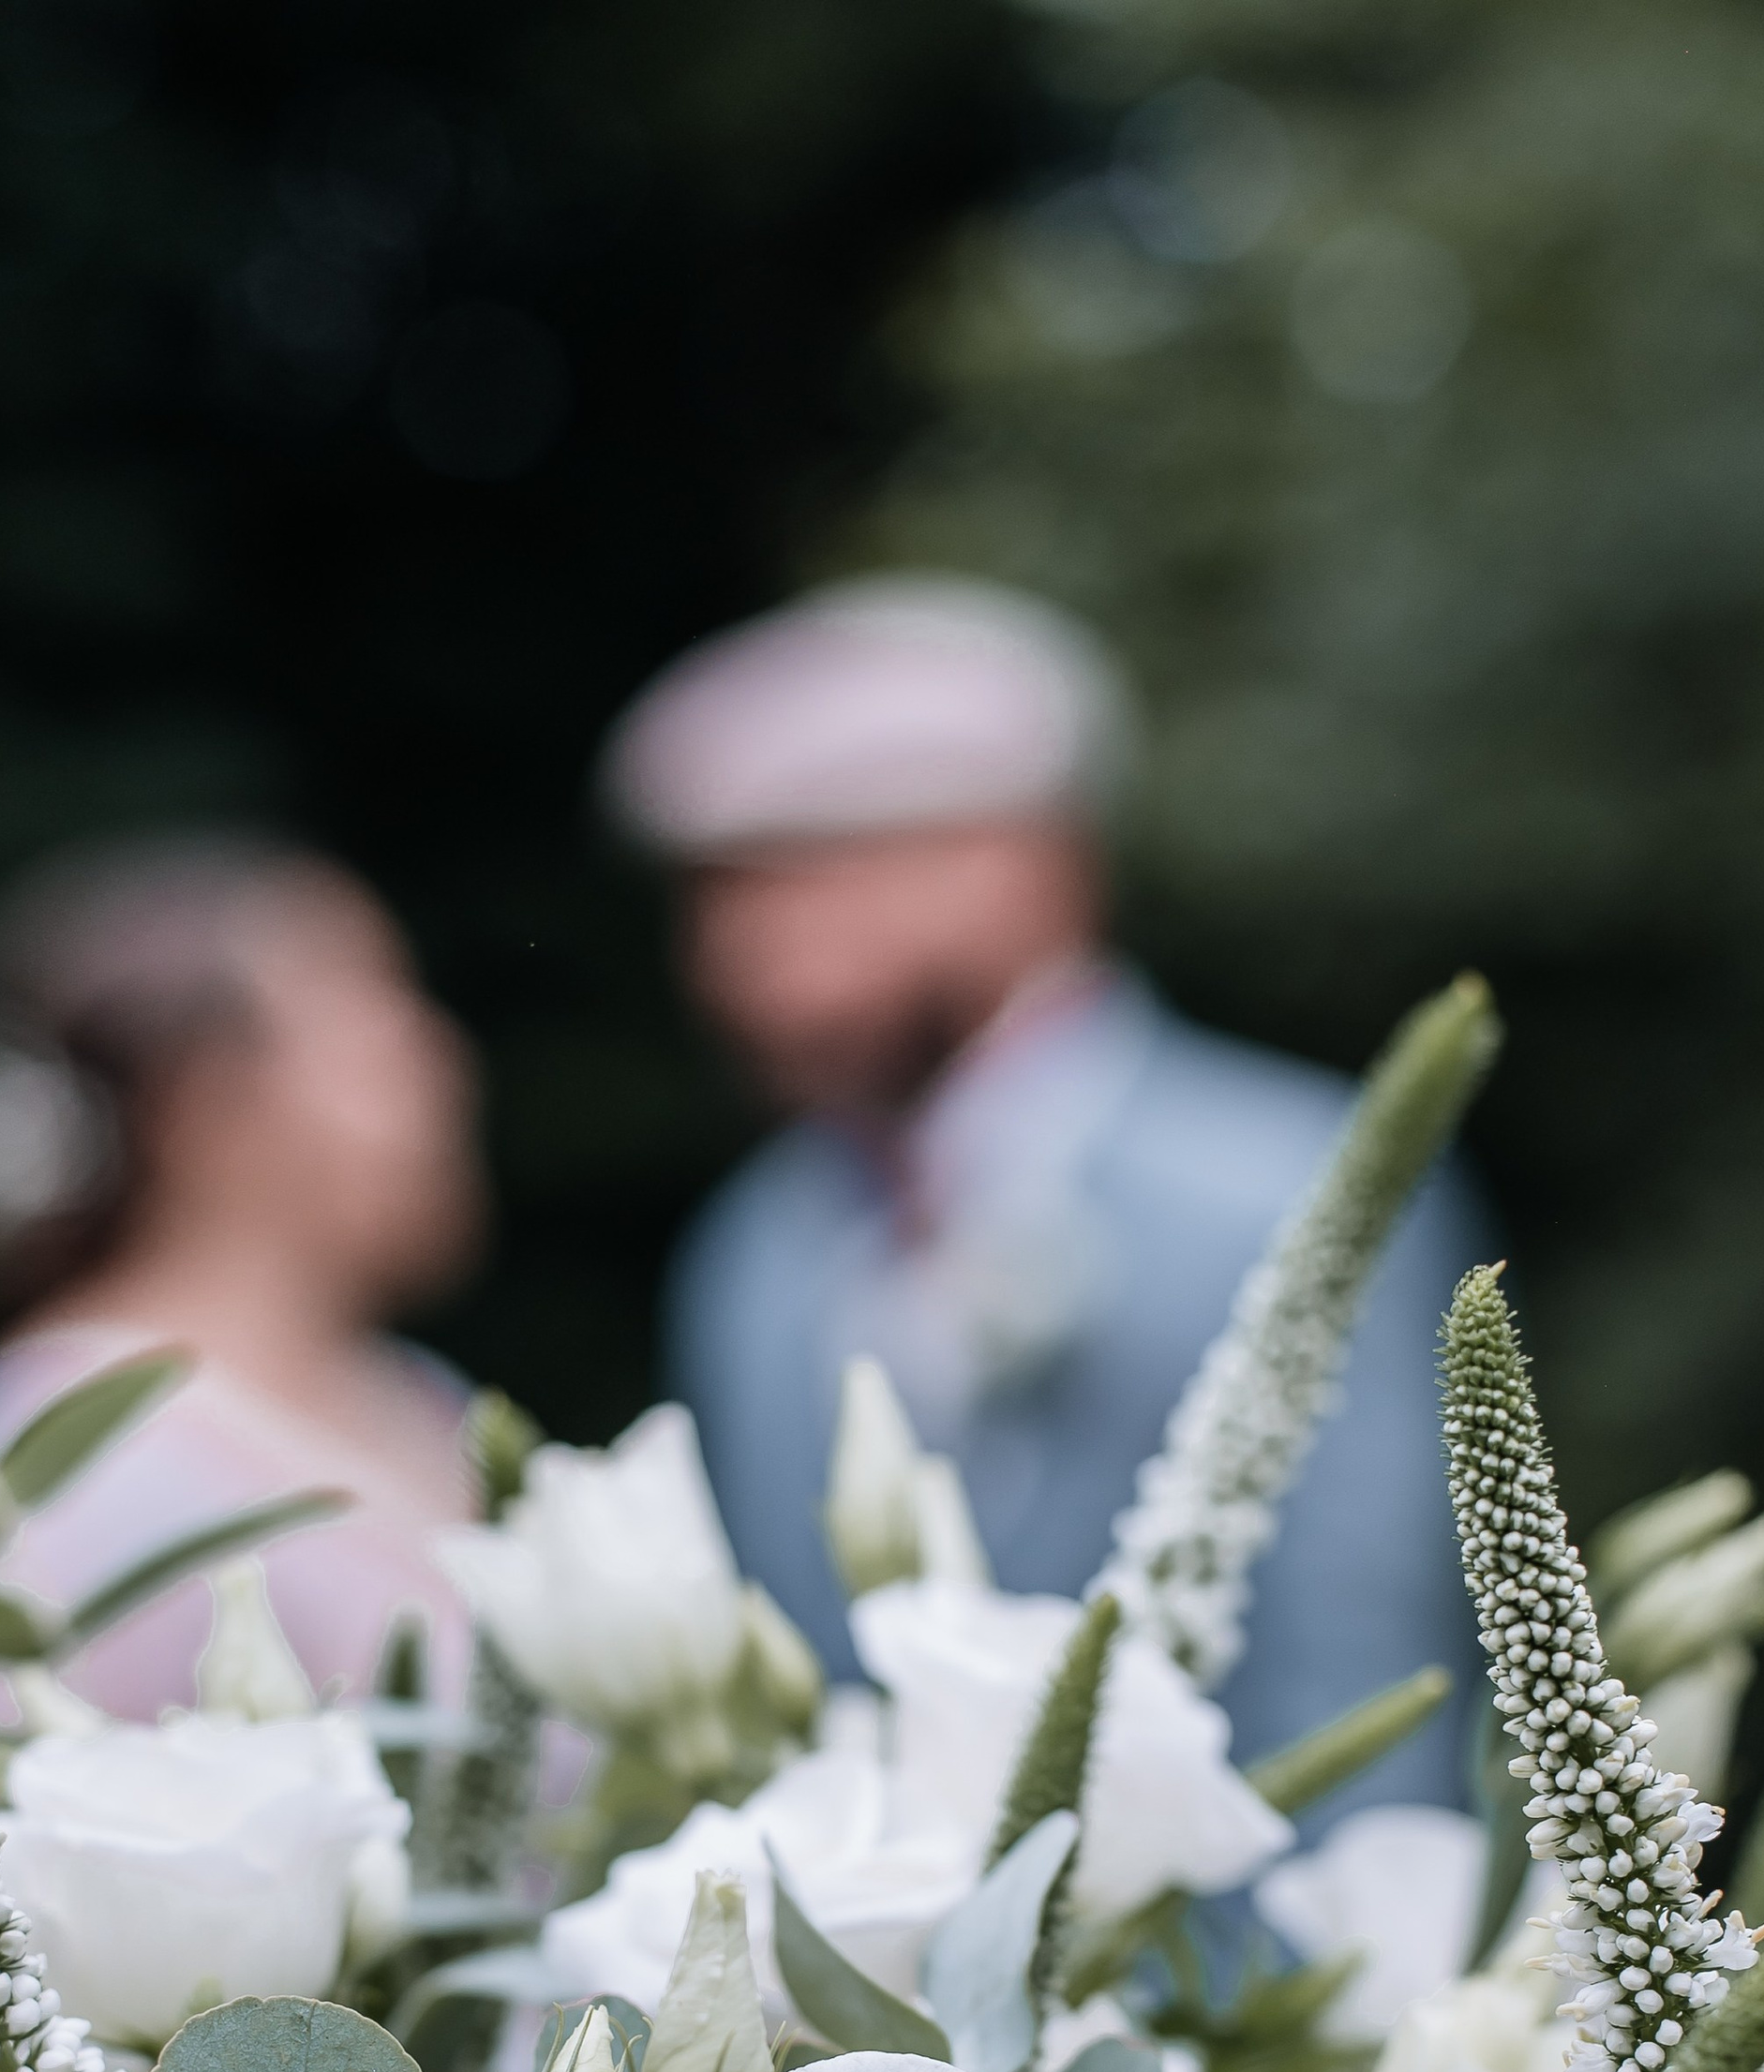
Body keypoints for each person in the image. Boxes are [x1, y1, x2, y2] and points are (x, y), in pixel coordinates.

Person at [605, 577, 1485, 1794]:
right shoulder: (751, 1247)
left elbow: (1362, 1687)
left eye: (809, 874)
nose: (735, 952)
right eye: (710, 898)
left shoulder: (1294, 1187)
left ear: (1026, 861)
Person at [0, 836, 486, 1718]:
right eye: (375, 1012)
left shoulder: (422, 1398)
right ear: (202, 1106)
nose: (439, 1060)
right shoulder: (63, 1458)